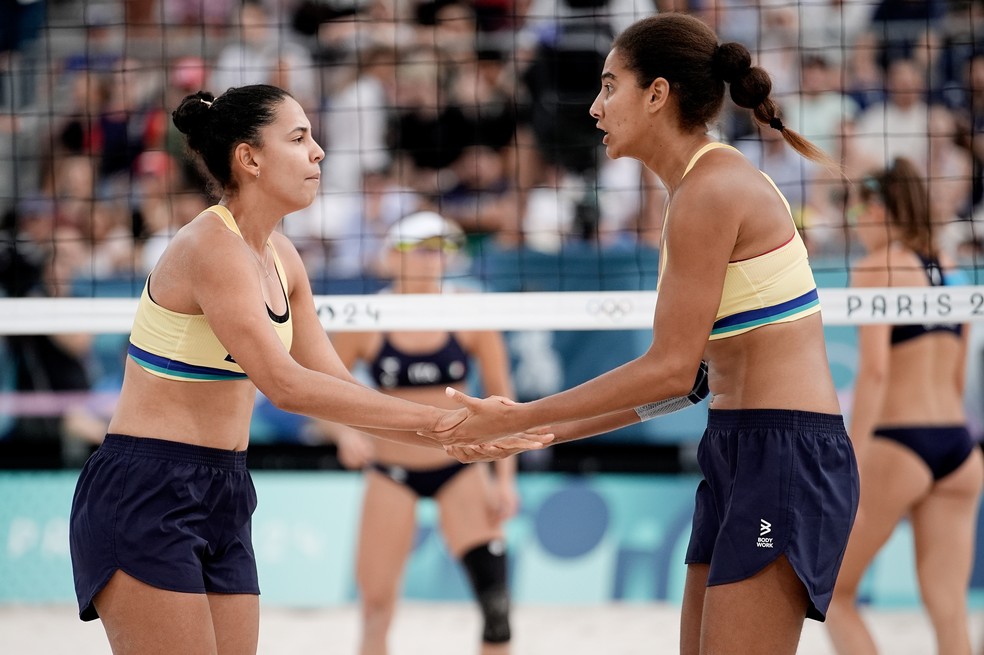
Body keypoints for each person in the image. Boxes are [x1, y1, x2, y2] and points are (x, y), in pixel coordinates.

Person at [430, 13, 860, 654]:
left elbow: (667, 369)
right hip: (740, 442)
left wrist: (516, 415)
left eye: (609, 86)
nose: (596, 106)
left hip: (784, 451)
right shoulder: (689, 192)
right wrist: (532, 431)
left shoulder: (712, 190)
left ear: (657, 94)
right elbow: (688, 385)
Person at [66, 84, 548, 654]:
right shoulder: (210, 247)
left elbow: (335, 383)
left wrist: (450, 434)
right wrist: (443, 425)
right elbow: (287, 386)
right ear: (248, 158)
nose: (318, 151)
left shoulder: (282, 255)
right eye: (299, 138)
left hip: (225, 484)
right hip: (150, 484)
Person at [320, 210, 518, 655]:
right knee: (375, 607)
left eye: (442, 249)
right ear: (393, 257)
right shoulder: (369, 317)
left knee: (496, 605)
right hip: (392, 471)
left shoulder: (469, 311)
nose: (434, 258)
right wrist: (342, 434)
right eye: (422, 249)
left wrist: (505, 480)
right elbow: (319, 393)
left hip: (460, 468)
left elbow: (506, 404)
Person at [825, 157, 984, 655]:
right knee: (949, 609)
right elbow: (958, 374)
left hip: (898, 443)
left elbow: (874, 372)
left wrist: (853, 453)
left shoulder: (877, 268)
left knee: (833, 595)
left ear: (878, 209)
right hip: (959, 449)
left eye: (856, 212)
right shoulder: (953, 271)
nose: (854, 224)